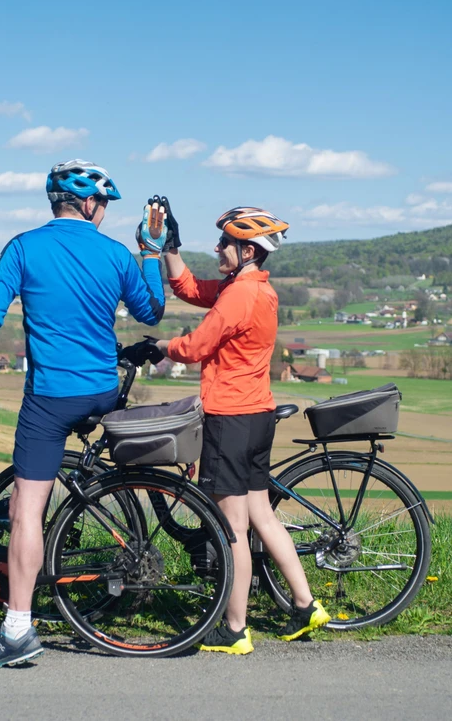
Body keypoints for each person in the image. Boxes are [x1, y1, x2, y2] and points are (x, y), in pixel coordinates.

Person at [0, 159, 168, 668]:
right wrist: (150, 249)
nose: (103, 212)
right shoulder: (117, 253)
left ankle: (17, 630)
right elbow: (151, 311)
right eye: (102, 204)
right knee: (43, 491)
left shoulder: (23, 247)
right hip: (102, 390)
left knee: (26, 509)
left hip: (52, 398)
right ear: (87, 203)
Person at [153, 202, 331, 654]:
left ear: (248, 250)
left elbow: (196, 345)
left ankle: (234, 629)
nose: (217, 248)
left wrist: (160, 346)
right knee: (261, 517)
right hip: (256, 417)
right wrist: (169, 247)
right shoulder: (254, 288)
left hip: (230, 419)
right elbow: (191, 288)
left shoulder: (239, 295)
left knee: (231, 529)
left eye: (225, 243)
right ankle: (307, 604)